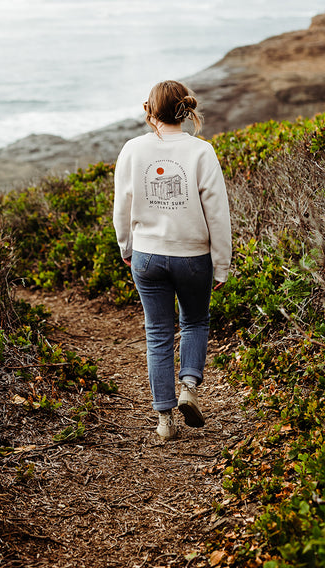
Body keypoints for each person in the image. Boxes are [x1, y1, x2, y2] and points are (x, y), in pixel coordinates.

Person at [113, 80, 231, 440]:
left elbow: (122, 208)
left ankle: (164, 421)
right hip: (194, 256)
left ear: (150, 111)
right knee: (195, 321)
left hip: (148, 255)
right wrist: (221, 263)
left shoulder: (133, 149)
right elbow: (218, 213)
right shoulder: (202, 151)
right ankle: (189, 388)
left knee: (158, 333)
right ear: (185, 109)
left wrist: (126, 249)